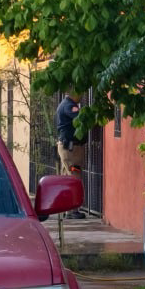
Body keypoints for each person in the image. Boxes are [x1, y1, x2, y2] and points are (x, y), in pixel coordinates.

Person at [55, 90, 87, 219]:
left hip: (67, 148)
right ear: (74, 93)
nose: (82, 96)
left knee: (66, 177)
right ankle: (73, 210)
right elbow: (80, 119)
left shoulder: (64, 104)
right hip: (71, 149)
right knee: (74, 176)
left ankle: (67, 209)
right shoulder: (69, 106)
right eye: (81, 93)